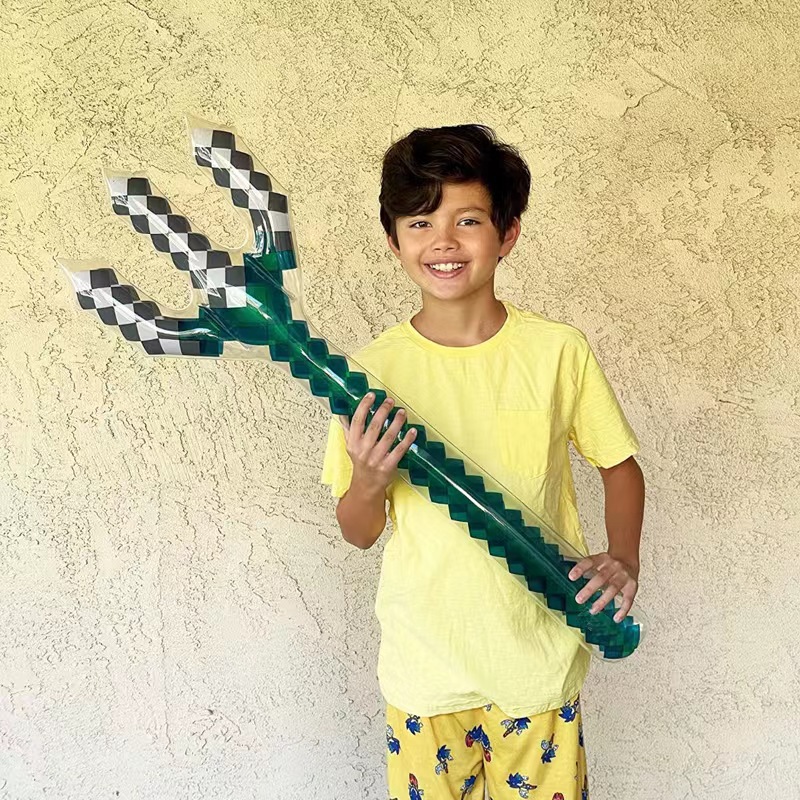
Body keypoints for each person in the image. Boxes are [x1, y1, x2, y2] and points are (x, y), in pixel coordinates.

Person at [319, 124, 645, 800]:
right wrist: (370, 480)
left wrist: (623, 558)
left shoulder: (557, 351)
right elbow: (357, 530)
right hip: (425, 675)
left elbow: (620, 467)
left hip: (537, 667)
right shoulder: (369, 375)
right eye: (420, 222)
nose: (443, 241)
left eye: (467, 220)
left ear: (508, 233)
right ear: (393, 241)